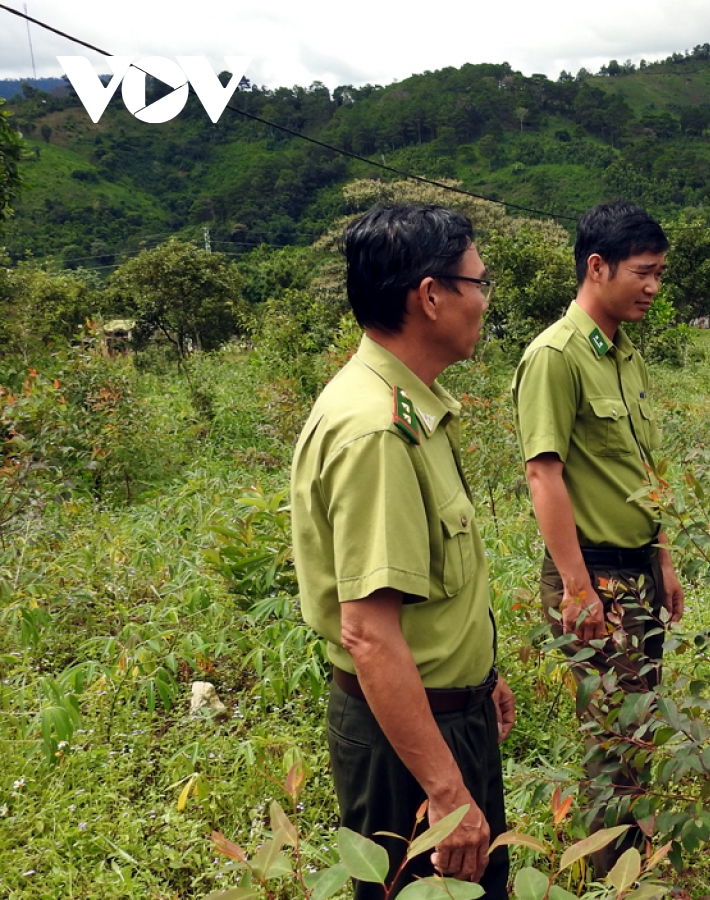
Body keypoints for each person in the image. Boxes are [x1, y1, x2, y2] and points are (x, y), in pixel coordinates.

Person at [290, 205, 515, 900]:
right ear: (430, 295)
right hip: (409, 746)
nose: (484, 299)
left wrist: (480, 678)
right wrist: (445, 791)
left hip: (442, 717)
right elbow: (368, 630)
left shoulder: (411, 408)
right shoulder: (377, 431)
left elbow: (433, 594)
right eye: (478, 283)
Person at [511, 200, 685, 872]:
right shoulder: (556, 357)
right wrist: (579, 588)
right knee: (613, 738)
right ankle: (614, 874)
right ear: (596, 267)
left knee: (639, 727)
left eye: (660, 274)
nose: (653, 287)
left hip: (637, 570)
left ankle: (634, 863)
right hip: (595, 577)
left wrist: (663, 559)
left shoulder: (626, 356)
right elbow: (542, 472)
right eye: (643, 272)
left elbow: (646, 470)